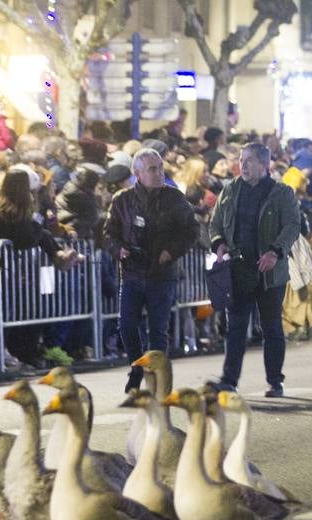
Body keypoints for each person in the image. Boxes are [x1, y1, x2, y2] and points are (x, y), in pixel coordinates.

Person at [209, 142, 301, 398]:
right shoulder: (229, 190)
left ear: (264, 163)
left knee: (271, 326)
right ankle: (229, 380)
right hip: (238, 268)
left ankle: (275, 380)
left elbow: (292, 226)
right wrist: (218, 244)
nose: (243, 165)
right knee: (236, 325)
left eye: (249, 160)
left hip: (269, 271)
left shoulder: (281, 193)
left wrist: (274, 251)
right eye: (241, 159)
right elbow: (214, 223)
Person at [101, 148, 198, 392]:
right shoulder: (122, 200)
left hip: (162, 274)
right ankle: (136, 368)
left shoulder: (174, 198)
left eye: (160, 168)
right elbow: (108, 233)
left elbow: (191, 231)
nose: (158, 173)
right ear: (138, 173)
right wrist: (118, 250)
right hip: (132, 273)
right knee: (127, 326)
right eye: (152, 169)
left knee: (158, 330)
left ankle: (159, 380)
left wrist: (171, 252)